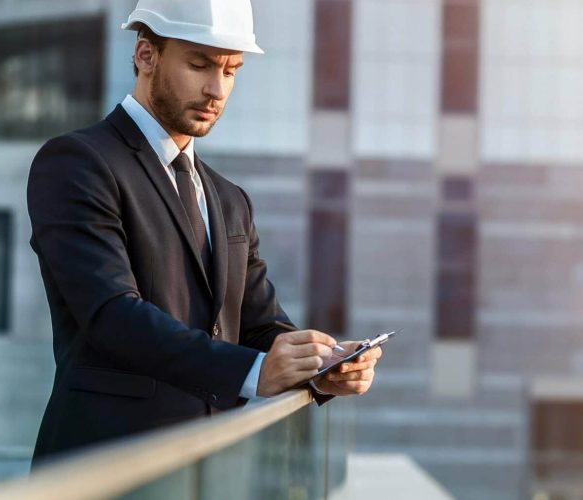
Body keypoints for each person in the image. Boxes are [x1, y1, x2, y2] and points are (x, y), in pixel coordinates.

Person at [27, 0, 382, 467]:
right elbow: (112, 314)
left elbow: (256, 324)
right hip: (105, 469)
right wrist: (255, 372)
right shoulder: (77, 163)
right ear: (145, 55)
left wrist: (319, 364)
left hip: (207, 472)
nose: (216, 89)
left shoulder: (229, 199)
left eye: (231, 71)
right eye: (199, 65)